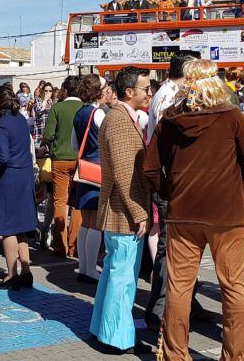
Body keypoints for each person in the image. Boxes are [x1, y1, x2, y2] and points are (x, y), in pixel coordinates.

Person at [144, 59, 244, 360]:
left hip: (183, 211)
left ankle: (174, 354)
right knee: (234, 287)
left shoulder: (170, 121)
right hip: (227, 214)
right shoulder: (232, 116)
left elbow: (149, 168)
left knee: (179, 287)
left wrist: (170, 190)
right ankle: (236, 355)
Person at [90, 66, 153, 354]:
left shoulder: (121, 116)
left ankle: (103, 330)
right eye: (145, 88)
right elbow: (125, 171)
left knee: (115, 273)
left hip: (120, 208)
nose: (150, 92)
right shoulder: (118, 120)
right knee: (123, 277)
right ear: (130, 92)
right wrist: (139, 212)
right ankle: (117, 338)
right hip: (123, 211)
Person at [143, 50, 203, 331]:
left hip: (177, 181)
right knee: (170, 248)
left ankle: (186, 301)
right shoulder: (169, 97)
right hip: (172, 182)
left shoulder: (172, 92)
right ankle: (159, 309)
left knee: (178, 247)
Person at [0, 85, 36, 290]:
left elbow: (3, 157)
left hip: (8, 178)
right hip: (24, 175)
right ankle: (26, 272)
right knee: (22, 227)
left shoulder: (1, 125)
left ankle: (11, 273)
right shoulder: (21, 120)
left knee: (8, 229)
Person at [44, 75, 83, 258]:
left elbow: (48, 134)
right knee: (77, 204)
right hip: (80, 160)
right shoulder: (85, 108)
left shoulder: (57, 108)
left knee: (60, 202)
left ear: (65, 90)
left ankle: (60, 246)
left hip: (59, 158)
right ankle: (75, 246)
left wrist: (53, 148)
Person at [72, 75, 106, 283]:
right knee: (96, 221)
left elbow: (75, 145)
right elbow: (107, 139)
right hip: (98, 169)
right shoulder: (98, 113)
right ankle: (91, 268)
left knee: (85, 220)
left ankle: (83, 267)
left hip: (83, 168)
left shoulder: (79, 113)